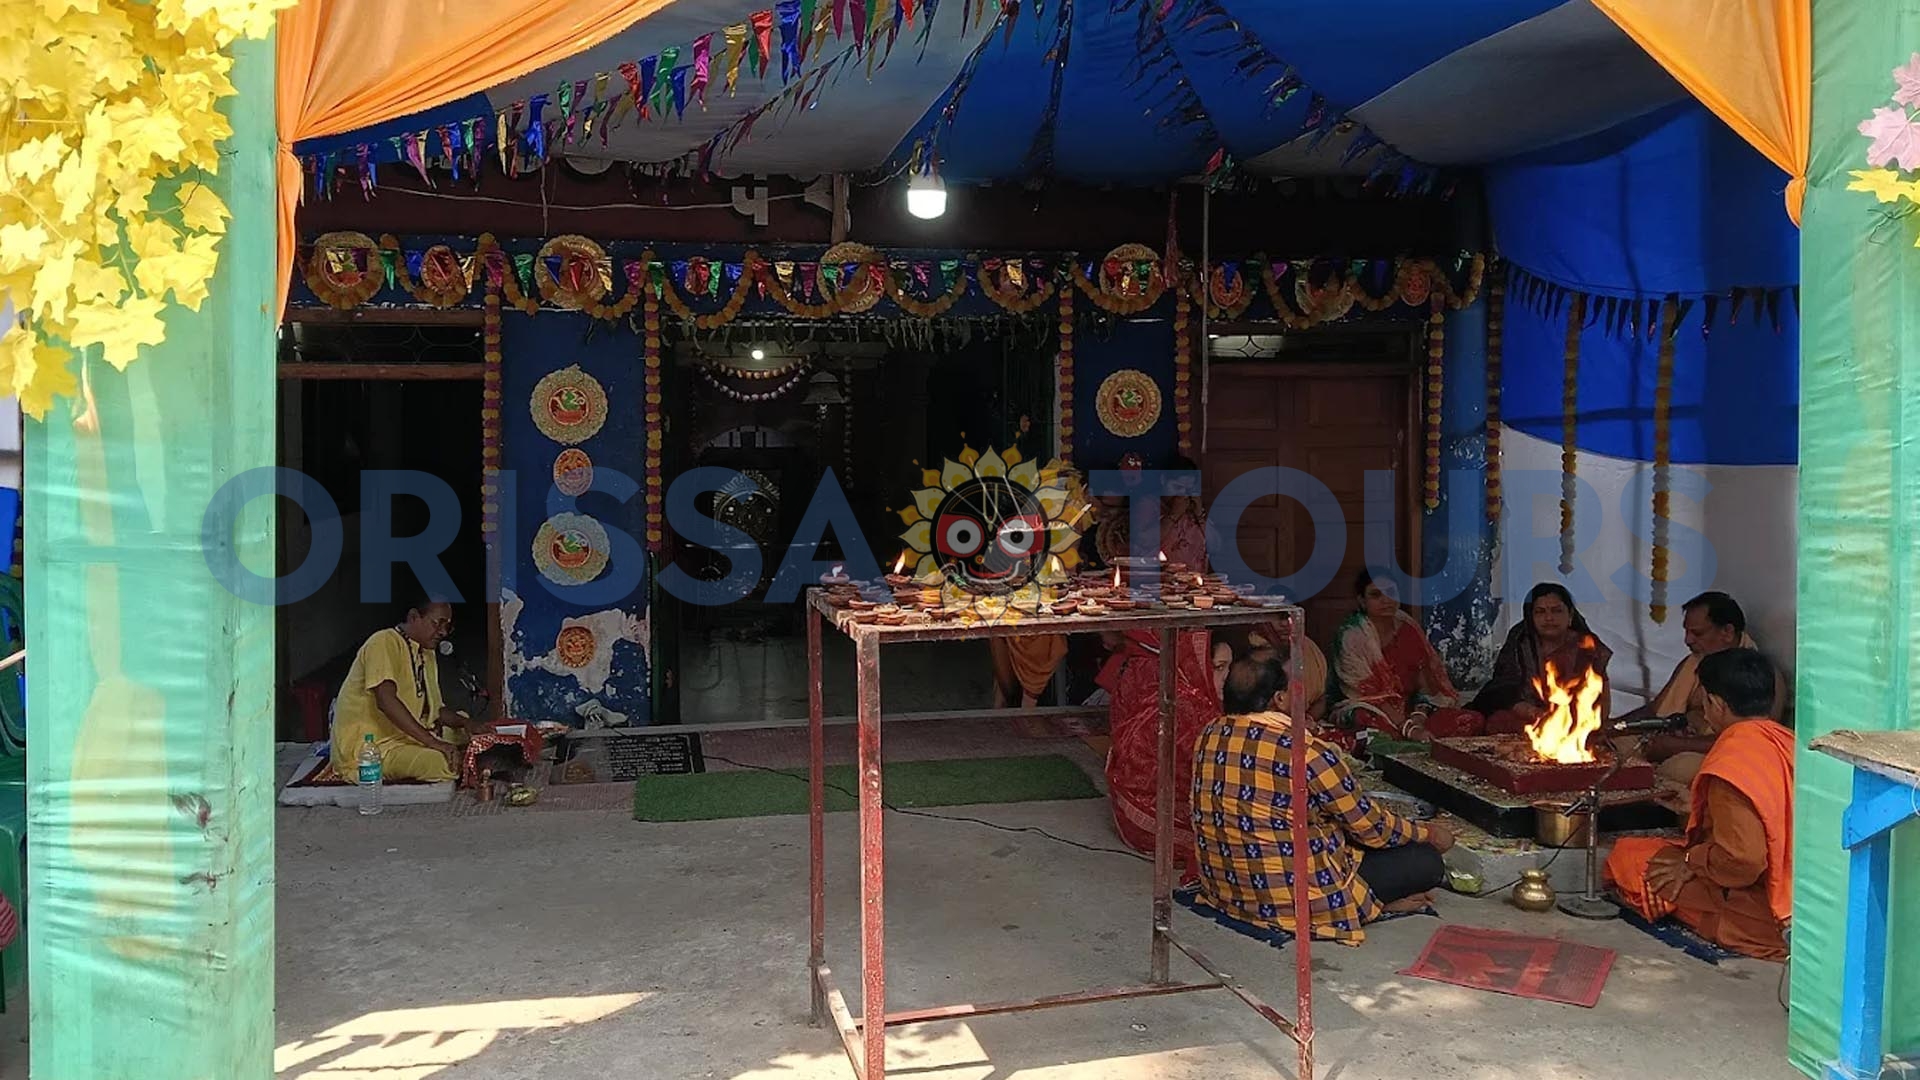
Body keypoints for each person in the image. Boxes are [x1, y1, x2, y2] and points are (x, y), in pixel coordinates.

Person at [1191, 653, 1456, 945]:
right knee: (1426, 862)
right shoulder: (1305, 751)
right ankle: (1370, 905)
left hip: (1227, 889)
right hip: (1294, 897)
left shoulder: (1208, 735)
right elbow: (1372, 827)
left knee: (1336, 829)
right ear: (1279, 699)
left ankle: (1370, 899)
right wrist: (1429, 833)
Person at [1604, 649, 1793, 960]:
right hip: (1800, 896)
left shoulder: (1733, 758)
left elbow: (1744, 861)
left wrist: (1692, 861)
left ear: (1715, 704)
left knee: (1631, 858)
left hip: (1758, 909)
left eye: (1704, 701)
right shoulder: (1787, 741)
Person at [1617, 591, 1788, 783]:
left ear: (1727, 632)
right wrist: (1614, 726)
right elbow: (1657, 710)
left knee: (1680, 768)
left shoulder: (1758, 674)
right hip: (1675, 737)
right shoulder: (1694, 662)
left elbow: (1754, 739)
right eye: (1686, 631)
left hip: (1718, 752)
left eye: (1697, 633)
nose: (1687, 640)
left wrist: (1678, 745)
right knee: (1618, 745)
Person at [1097, 628, 1221, 859]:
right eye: (1219, 667)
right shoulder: (1187, 702)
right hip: (1153, 811)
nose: (1226, 676)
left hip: (1127, 803)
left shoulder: (1143, 664)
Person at [1327, 570, 1481, 747]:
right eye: (1376, 595)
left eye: (1391, 593)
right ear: (1362, 601)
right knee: (1368, 722)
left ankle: (1415, 743)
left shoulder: (1408, 627)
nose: (1386, 600)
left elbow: (1425, 684)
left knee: (1470, 719)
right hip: (1371, 709)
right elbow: (1368, 695)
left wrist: (1418, 718)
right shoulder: (1351, 636)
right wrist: (1407, 728)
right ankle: (1406, 747)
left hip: (1411, 708)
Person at [328, 597, 470, 783]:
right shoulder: (383, 641)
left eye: (448, 626)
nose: (443, 632)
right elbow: (386, 701)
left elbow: (436, 711)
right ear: (413, 617)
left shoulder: (425, 652)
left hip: (407, 736)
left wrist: (468, 723)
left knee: (464, 726)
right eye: (438, 623)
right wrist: (433, 742)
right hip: (372, 747)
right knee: (442, 764)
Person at [1470, 583, 1613, 734]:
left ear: (1570, 616)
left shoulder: (1586, 646)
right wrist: (1535, 714)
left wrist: (1588, 726)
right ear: (1531, 617)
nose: (1549, 618)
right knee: (1499, 721)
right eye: (1540, 612)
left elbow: (1602, 697)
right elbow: (1504, 693)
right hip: (1528, 718)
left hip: (1575, 722)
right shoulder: (1521, 643)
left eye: (1557, 611)